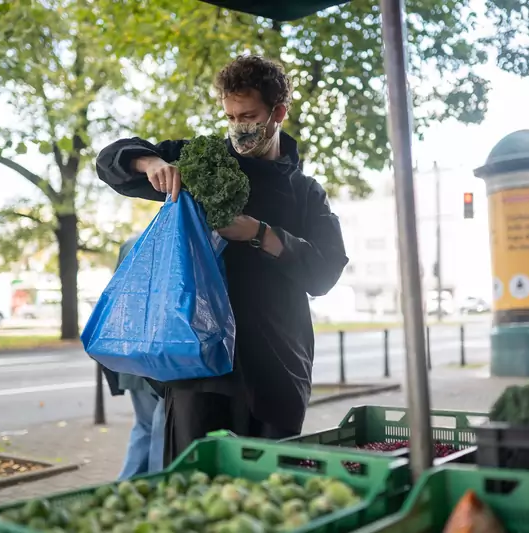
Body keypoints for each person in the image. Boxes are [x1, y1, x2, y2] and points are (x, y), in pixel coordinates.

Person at [96, 55, 348, 466]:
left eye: (248, 116)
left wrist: (260, 233)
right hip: (200, 369)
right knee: (196, 484)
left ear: (278, 112)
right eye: (229, 116)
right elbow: (111, 160)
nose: (237, 127)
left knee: (268, 489)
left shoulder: (306, 193)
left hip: (277, 365)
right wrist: (152, 162)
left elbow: (325, 271)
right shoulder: (201, 161)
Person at [100, 235, 165, 478]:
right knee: (161, 429)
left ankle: (125, 487)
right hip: (163, 353)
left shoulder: (130, 242)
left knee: (145, 426)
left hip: (130, 349)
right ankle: (160, 489)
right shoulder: (177, 236)